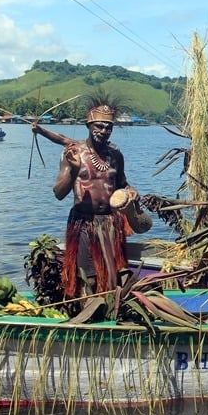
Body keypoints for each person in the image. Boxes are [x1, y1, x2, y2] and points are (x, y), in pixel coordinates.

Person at [52, 91, 137, 301]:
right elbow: (58, 193)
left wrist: (131, 191)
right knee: (87, 279)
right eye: (99, 126)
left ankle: (109, 316)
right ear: (88, 125)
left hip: (110, 223)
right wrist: (73, 170)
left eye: (108, 127)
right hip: (83, 224)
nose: (104, 131)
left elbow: (122, 183)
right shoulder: (73, 153)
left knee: (111, 278)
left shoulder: (115, 155)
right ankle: (86, 316)